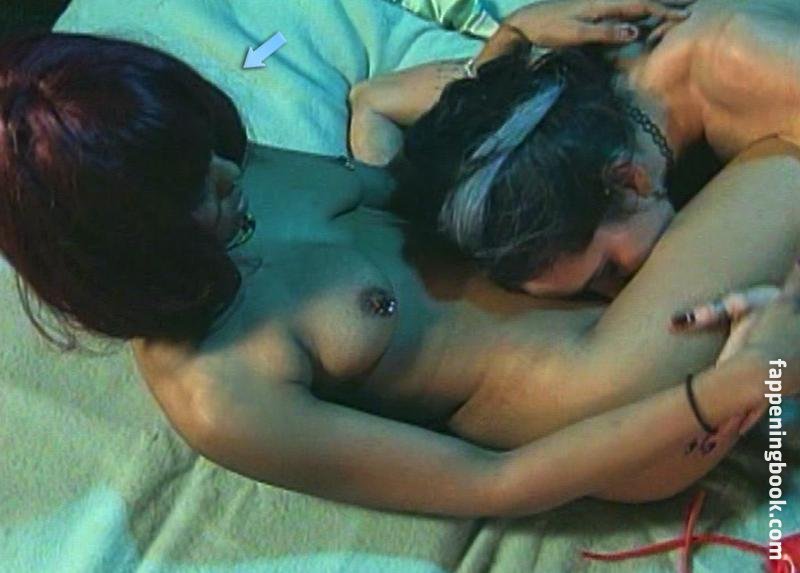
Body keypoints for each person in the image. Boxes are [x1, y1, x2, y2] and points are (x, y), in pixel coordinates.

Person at [0, 3, 797, 518]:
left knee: (694, 51)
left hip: (556, 257)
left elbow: (398, 175)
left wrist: (507, 50)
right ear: (123, 247)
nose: (227, 174)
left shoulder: (226, 172)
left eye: (205, 150)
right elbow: (491, 484)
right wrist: (727, 387)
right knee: (748, 93)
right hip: (611, 386)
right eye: (193, 192)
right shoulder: (220, 389)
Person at [349, 0, 800, 299]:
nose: (611, 300)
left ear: (630, 181)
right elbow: (374, 101)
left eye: (608, 271)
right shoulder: (545, 103)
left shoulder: (746, 64)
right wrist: (509, 37)